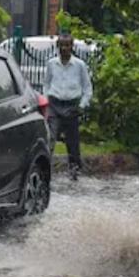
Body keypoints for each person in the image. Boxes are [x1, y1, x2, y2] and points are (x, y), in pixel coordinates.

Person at [44, 35, 93, 180]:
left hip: (72, 105)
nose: (64, 49)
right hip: (54, 104)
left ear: (72, 47)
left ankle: (74, 170)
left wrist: (82, 105)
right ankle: (46, 168)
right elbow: (46, 84)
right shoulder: (51, 64)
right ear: (57, 47)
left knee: (72, 141)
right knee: (51, 137)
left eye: (67, 46)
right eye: (62, 46)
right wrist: (46, 101)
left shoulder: (79, 65)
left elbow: (87, 88)